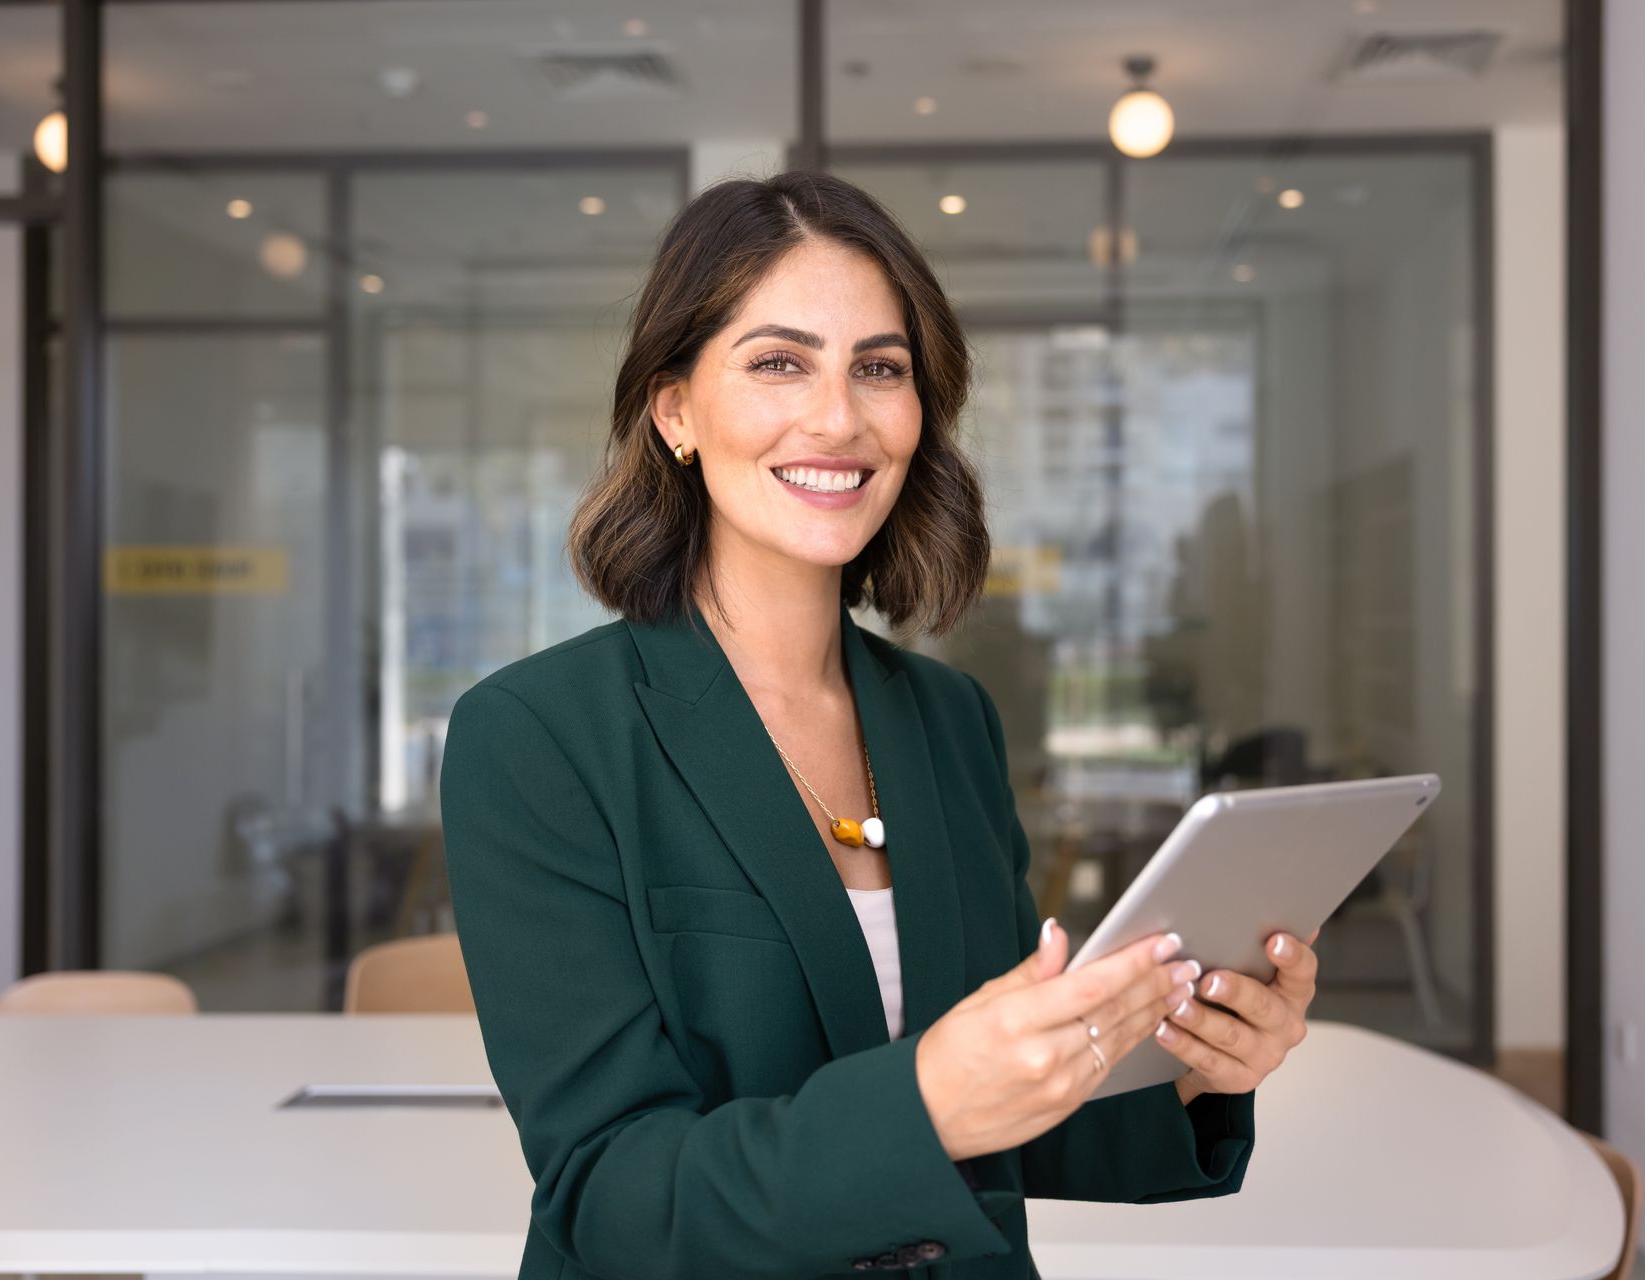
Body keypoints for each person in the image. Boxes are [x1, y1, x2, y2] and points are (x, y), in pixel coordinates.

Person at [439, 169, 1320, 1280]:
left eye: (880, 368)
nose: (839, 416)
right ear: (674, 411)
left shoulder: (948, 719)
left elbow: (1005, 1114)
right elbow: (615, 1189)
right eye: (778, 362)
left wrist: (1198, 1067)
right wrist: (926, 1100)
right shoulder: (536, 735)